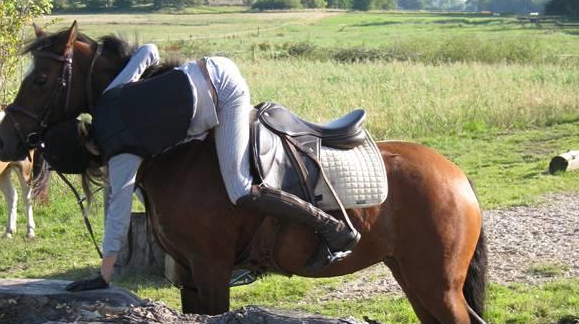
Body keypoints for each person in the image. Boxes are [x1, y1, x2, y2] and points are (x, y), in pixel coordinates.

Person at [65, 45, 360, 292]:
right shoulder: (107, 99)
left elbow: (117, 218)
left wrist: (104, 276)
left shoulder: (121, 157)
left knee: (239, 189)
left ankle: (333, 229)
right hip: (211, 65)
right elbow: (148, 51)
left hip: (226, 92)